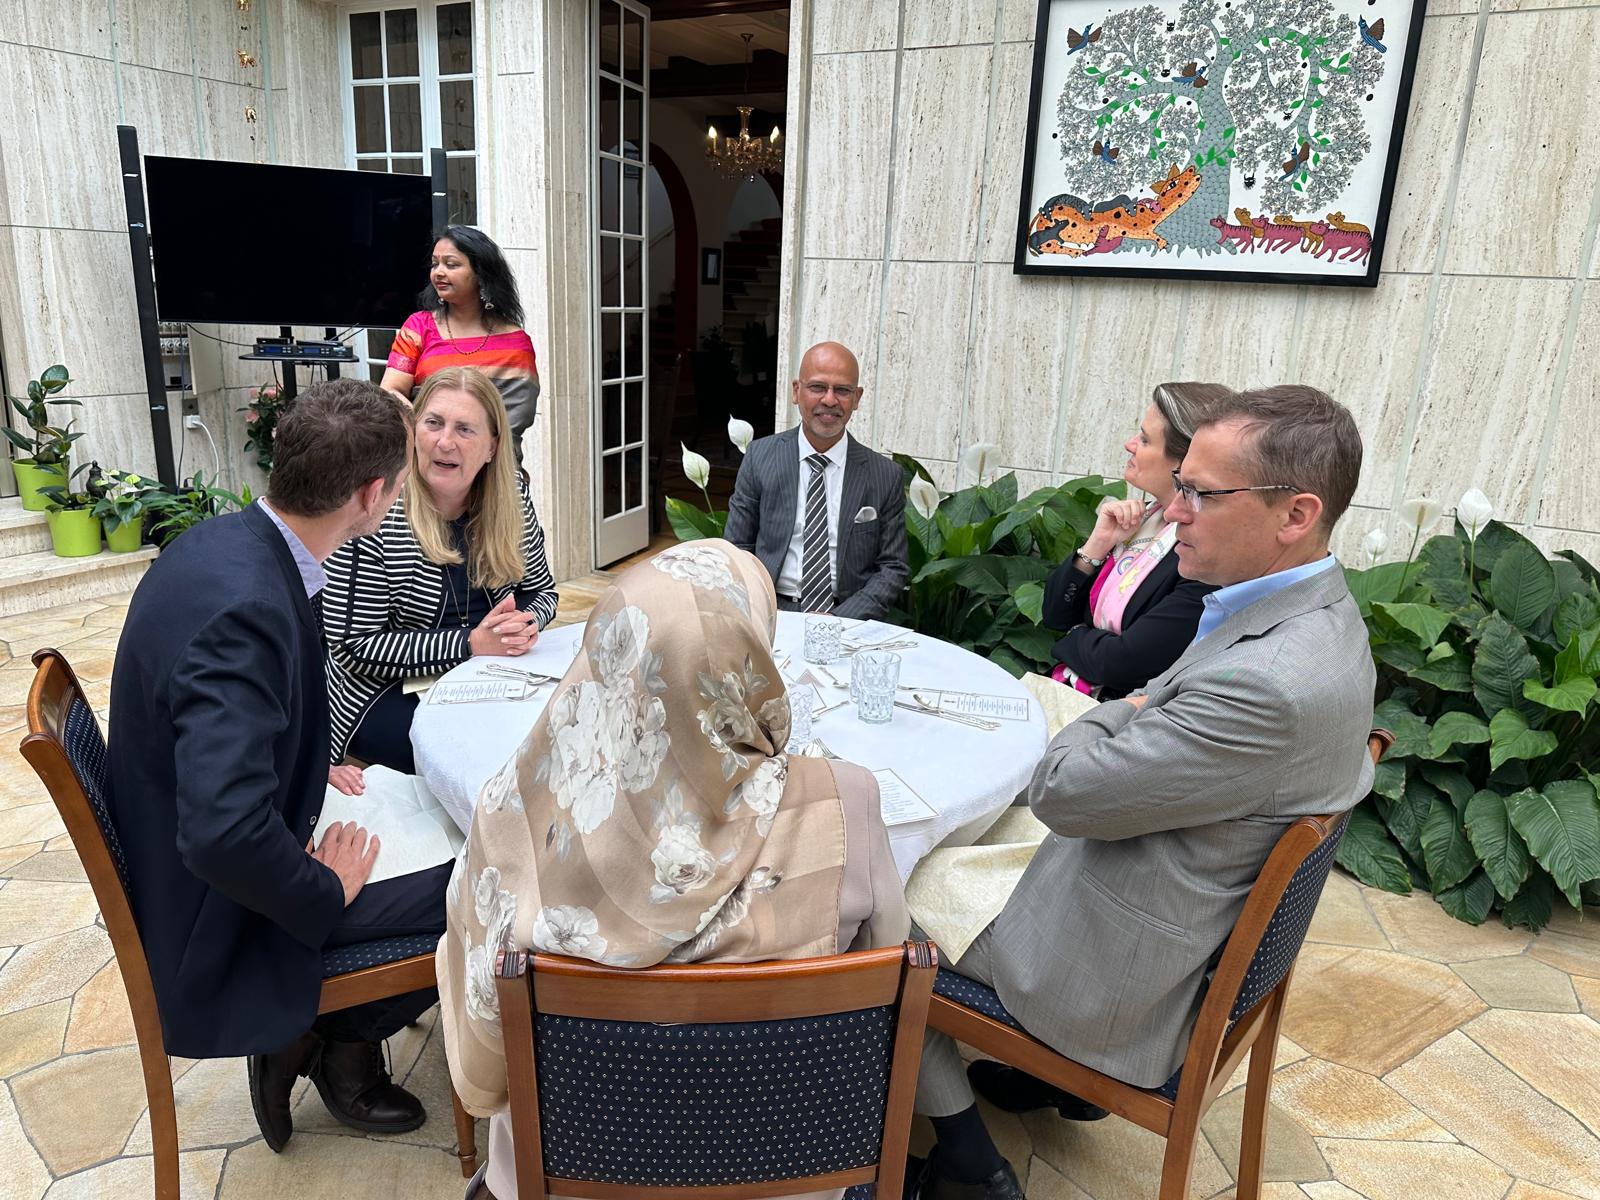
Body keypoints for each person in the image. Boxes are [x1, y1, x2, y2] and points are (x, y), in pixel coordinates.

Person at [910, 386, 1377, 1200]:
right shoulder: (1321, 616)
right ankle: (1038, 1091)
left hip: (1113, 974)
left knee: (871, 884)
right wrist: (1133, 706)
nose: (1176, 509)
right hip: (1166, 898)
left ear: (1295, 514)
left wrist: (1121, 707)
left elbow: (1061, 789)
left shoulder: (1268, 685)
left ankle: (963, 1159)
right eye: (1181, 482)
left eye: (1200, 492)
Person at [436, 539, 910, 1200]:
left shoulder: (515, 804)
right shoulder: (846, 802)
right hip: (785, 1178)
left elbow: (479, 1001)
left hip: (573, 1180)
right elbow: (881, 990)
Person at [104, 378, 451, 1152]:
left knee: (424, 808)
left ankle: (331, 1039)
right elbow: (224, 835)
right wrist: (322, 888)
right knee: (485, 879)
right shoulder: (247, 607)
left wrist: (297, 766)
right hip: (215, 912)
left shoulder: (224, 542)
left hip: (214, 856)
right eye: (399, 485)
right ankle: (324, 1040)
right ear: (371, 494)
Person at [322, 367, 559, 778]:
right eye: (433, 423)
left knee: (556, 734)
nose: (444, 442)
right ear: (413, 433)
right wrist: (470, 644)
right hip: (384, 692)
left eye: (465, 429)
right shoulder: (375, 508)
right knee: (489, 763)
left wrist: (525, 623)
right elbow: (354, 647)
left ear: (492, 448)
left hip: (489, 675)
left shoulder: (514, 498)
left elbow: (543, 593)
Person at [1040, 382, 1231, 698]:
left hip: (1115, 719)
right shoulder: (1141, 520)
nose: (1130, 444)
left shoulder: (1201, 553)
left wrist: (1074, 636)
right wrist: (1097, 545)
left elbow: (1125, 662)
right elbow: (1054, 613)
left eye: (1144, 439)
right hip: (1068, 690)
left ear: (1183, 463)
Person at [724, 341, 909, 620]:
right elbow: (736, 549)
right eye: (818, 387)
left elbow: (893, 567)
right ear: (797, 391)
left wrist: (838, 620)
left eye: (842, 390)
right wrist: (762, 610)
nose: (830, 400)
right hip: (773, 612)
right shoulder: (760, 458)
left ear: (857, 398)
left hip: (849, 618)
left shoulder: (884, 474)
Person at [381, 225, 541, 456]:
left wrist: (467, 452)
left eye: (451, 264)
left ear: (481, 274)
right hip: (426, 459)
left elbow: (514, 419)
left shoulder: (514, 342)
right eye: (435, 264)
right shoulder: (418, 328)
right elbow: (391, 391)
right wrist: (430, 434)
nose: (438, 272)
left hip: (494, 465)